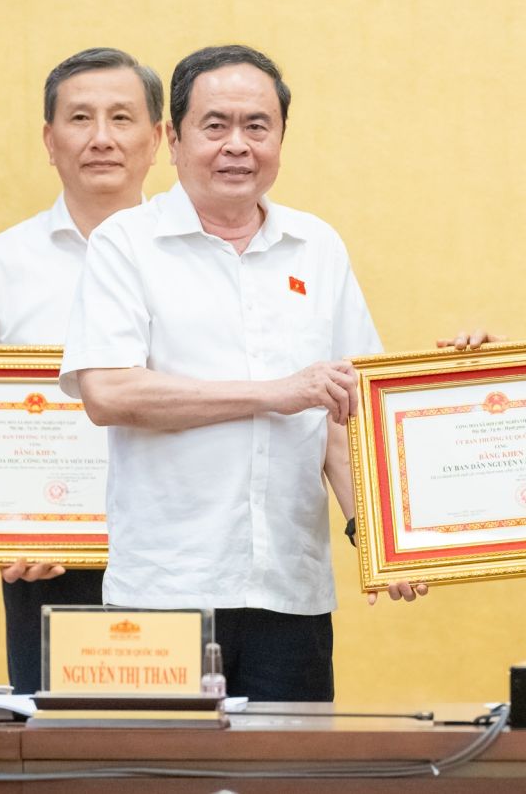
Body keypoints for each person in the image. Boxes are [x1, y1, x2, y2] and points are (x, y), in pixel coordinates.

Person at [58, 44, 421, 704]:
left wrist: (381, 537)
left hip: (290, 591)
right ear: (174, 140)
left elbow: (343, 417)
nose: (237, 145)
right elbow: (108, 391)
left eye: (257, 126)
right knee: (161, 762)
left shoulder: (318, 247)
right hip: (165, 593)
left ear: (280, 138)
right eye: (215, 125)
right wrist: (276, 393)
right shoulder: (125, 243)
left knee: (292, 762)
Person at [0, 46, 164, 694]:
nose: (101, 137)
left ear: (158, 138)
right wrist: (4, 530)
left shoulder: (202, 254)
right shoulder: (0, 264)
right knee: (58, 742)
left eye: (122, 117)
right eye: (79, 118)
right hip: (47, 561)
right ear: (50, 140)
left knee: (181, 738)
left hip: (179, 555)